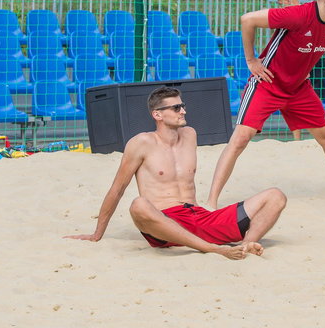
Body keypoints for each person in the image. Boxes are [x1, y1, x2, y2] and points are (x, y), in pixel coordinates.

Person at [65, 86, 287, 259]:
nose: (183, 111)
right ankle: (212, 249)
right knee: (138, 205)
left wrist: (211, 200)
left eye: (182, 106)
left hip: (199, 216)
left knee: (275, 196)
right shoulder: (141, 143)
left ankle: (246, 244)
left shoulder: (190, 134)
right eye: (176, 108)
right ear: (157, 115)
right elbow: (117, 189)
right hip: (164, 222)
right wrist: (97, 234)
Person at [208, 0, 325, 206]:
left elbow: (311, 46)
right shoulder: (297, 14)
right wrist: (252, 60)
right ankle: (211, 201)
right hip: (268, 83)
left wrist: (303, 68)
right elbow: (247, 19)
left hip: (298, 88)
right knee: (240, 139)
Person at [276, 0, 325, 141]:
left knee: (314, 100)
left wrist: (307, 66)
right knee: (291, 101)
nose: (279, 7)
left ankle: (319, 136)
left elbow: (318, 38)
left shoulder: (306, 14)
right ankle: (297, 140)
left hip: (312, 60)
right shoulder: (287, 18)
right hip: (295, 64)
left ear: (288, 1)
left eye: (280, 4)